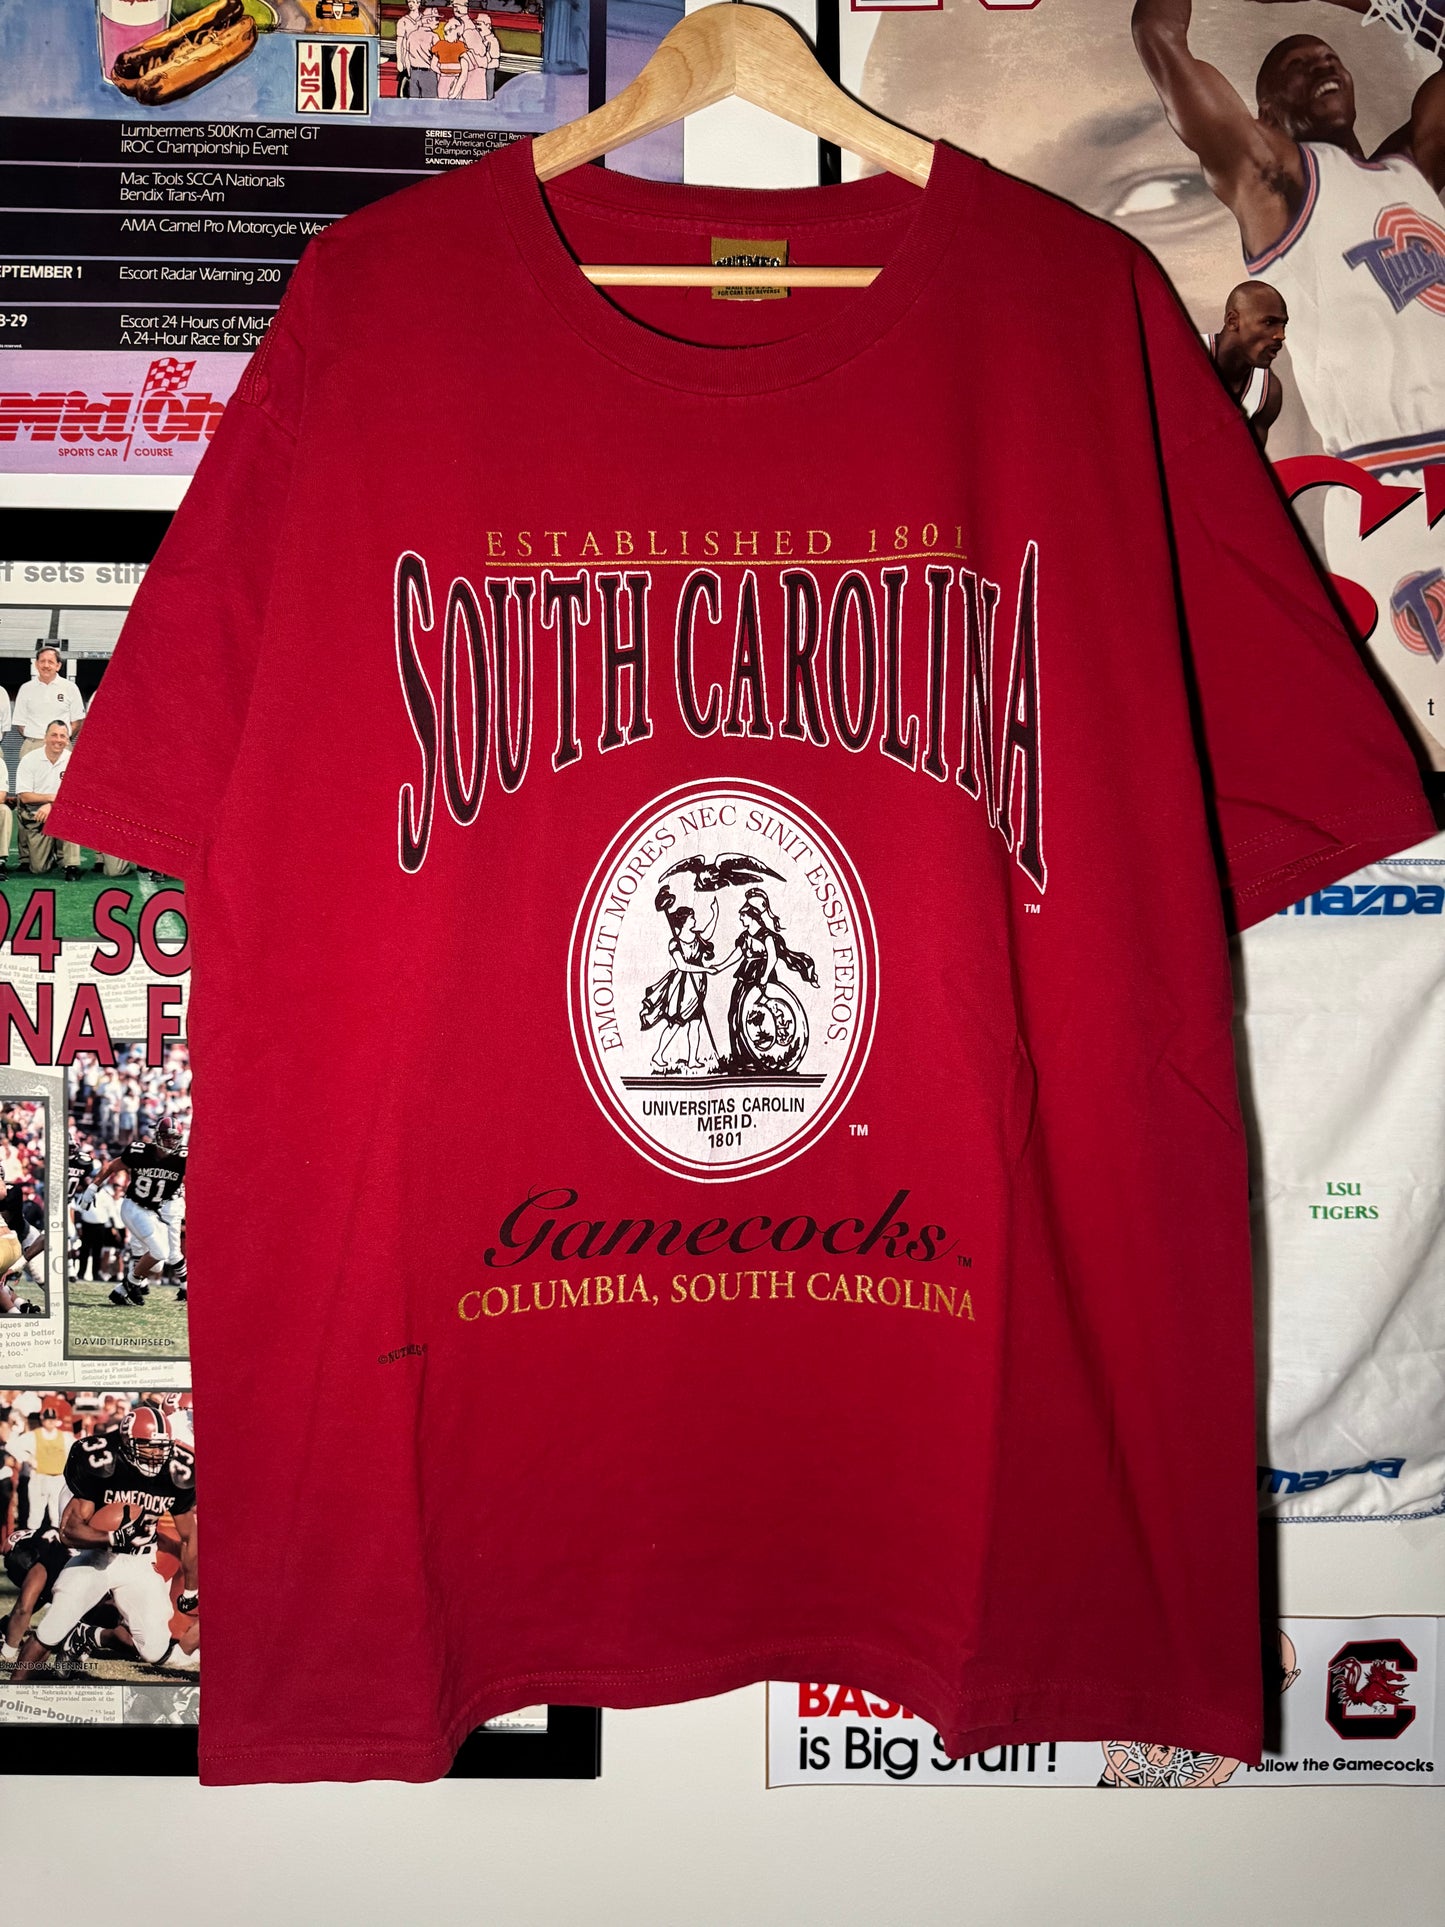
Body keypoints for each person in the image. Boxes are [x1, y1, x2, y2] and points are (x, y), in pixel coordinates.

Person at [1132, 0, 1445, 759]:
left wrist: (1388, 5)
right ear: (1267, 112)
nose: (1323, 64)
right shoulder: (1273, 178)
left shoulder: (1409, 168)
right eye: (1297, 66)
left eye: (1328, 56)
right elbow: (1156, 33)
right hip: (1391, 487)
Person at [9, 1402, 197, 1683]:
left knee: (155, 1649)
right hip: (98, 1557)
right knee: (52, 1628)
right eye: (149, 1447)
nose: (158, 1455)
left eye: (162, 1447)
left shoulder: (176, 1471)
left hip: (140, 1563)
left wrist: (192, 1589)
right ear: (128, 1443)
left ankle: (85, 1635)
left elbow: (189, 1536)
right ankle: (14, 1690)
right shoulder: (102, 1463)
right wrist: (111, 1537)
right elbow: (68, 1531)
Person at [94, 1116, 187, 1308]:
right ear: (157, 1136)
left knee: (158, 1262)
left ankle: (124, 1288)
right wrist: (92, 1188)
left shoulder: (182, 1157)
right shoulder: (141, 1151)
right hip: (137, 1205)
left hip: (159, 1209)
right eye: (167, 1137)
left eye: (175, 1138)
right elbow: (113, 1165)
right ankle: (134, 1286)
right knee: (156, 1250)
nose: (171, 1142)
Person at [639, 889, 721, 1075]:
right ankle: (658, 1055)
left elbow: (708, 932)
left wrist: (715, 914)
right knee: (676, 1023)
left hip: (698, 986)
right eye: (691, 918)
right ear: (684, 922)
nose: (694, 920)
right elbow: (682, 966)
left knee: (695, 1023)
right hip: (683, 988)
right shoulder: (675, 943)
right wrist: (706, 969)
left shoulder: (696, 937)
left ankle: (692, 1060)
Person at [1202, 279, 1287, 445]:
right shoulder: (1184, 352)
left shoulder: (1268, 392)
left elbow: (1248, 459)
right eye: (1269, 322)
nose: (1281, 335)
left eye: (1283, 325)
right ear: (1233, 321)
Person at [15, 720, 82, 878]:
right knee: (39, 868)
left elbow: (76, 796)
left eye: (62, 736)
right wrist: (50, 798)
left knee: (71, 814)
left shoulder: (75, 760)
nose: (58, 740)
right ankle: (53, 849)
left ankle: (71, 865)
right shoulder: (29, 759)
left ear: (67, 741)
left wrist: (52, 806)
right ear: (45, 737)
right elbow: (25, 797)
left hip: (62, 812)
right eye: (54, 735)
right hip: (37, 814)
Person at [13, 646, 85, 757]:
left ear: (58, 666)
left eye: (50, 662)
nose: (46, 665)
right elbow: (20, 723)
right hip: (32, 745)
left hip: (61, 746)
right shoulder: (25, 688)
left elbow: (77, 721)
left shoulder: (70, 688)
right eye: (42, 661)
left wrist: (61, 738)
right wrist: (35, 739)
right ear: (36, 664)